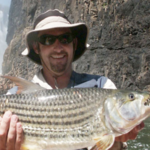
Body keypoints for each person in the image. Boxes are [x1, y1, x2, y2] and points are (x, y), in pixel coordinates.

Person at [0, 9, 144, 150]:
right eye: (48, 39)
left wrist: (115, 143)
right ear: (36, 47)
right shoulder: (13, 96)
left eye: (65, 38)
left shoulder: (103, 85)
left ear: (74, 43)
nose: (58, 48)